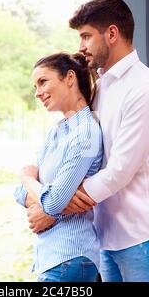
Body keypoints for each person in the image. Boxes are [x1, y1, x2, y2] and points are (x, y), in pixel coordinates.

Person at [27, 0, 149, 282]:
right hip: (105, 235)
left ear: (112, 34)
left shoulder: (144, 88)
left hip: (143, 234)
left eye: (86, 36)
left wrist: (56, 208)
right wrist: (49, 199)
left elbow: (120, 169)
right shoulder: (101, 88)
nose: (81, 46)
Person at [13, 52, 104, 282]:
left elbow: (52, 202)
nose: (37, 92)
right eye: (35, 86)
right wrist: (47, 198)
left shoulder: (85, 133)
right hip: (53, 260)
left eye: (43, 82)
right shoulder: (57, 132)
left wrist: (26, 178)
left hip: (70, 257)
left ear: (69, 78)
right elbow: (19, 195)